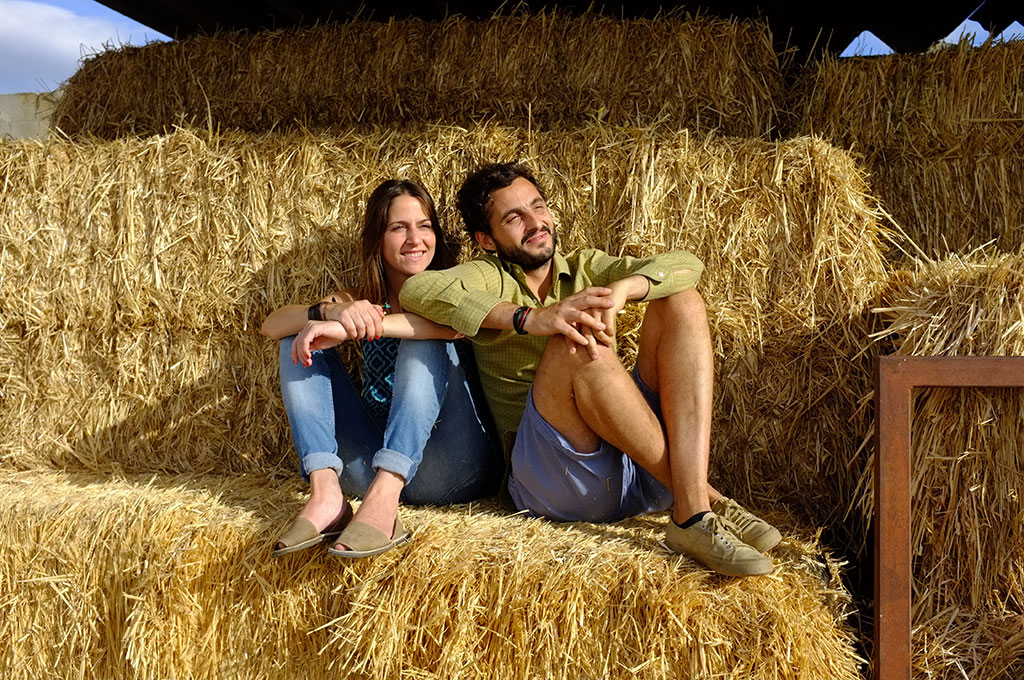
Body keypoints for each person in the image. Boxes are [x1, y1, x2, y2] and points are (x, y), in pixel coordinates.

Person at [400, 162, 782, 577]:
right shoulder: (487, 275)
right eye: (514, 217)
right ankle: (699, 506)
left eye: (538, 207)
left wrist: (625, 289)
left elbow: (686, 264)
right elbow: (417, 289)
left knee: (681, 300)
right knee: (575, 336)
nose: (535, 222)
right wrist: (530, 318)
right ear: (486, 240)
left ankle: (692, 502)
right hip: (559, 480)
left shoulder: (585, 267)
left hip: (635, 468)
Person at [261, 179, 498, 558]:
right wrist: (332, 312)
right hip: (370, 468)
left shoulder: (455, 285)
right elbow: (272, 325)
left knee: (424, 340)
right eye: (397, 228)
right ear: (378, 239)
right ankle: (326, 496)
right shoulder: (361, 299)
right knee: (298, 337)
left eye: (424, 226)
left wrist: (364, 326)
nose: (414, 239)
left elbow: (451, 326)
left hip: (453, 467)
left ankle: (387, 496)